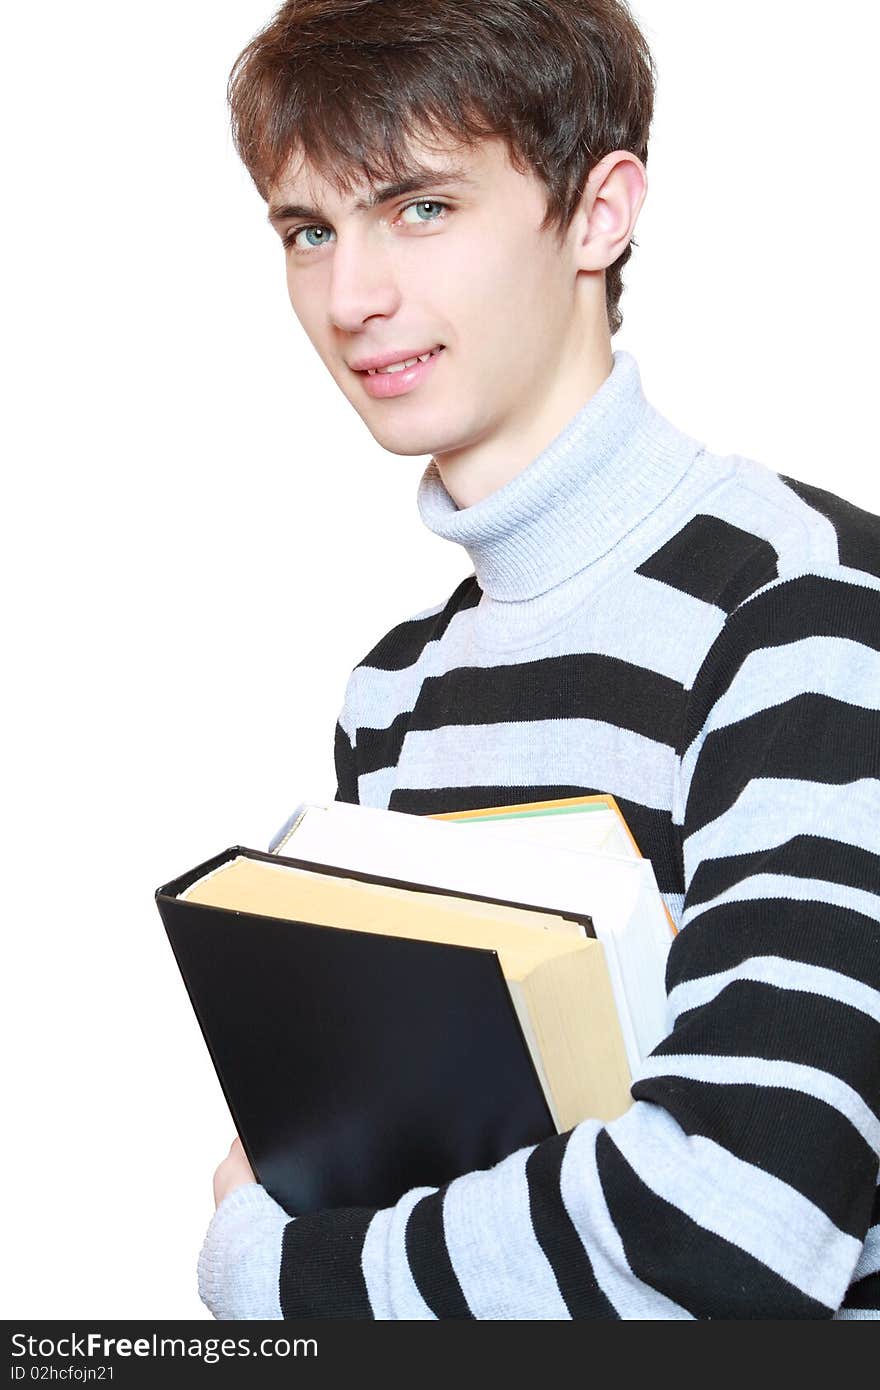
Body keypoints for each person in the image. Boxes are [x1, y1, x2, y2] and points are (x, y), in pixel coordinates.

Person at [197, 0, 880, 1319]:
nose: (353, 296)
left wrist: (275, 1269)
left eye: (422, 208)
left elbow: (737, 1224)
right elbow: (401, 1161)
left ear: (601, 213)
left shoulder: (806, 610)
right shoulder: (393, 696)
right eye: (309, 230)